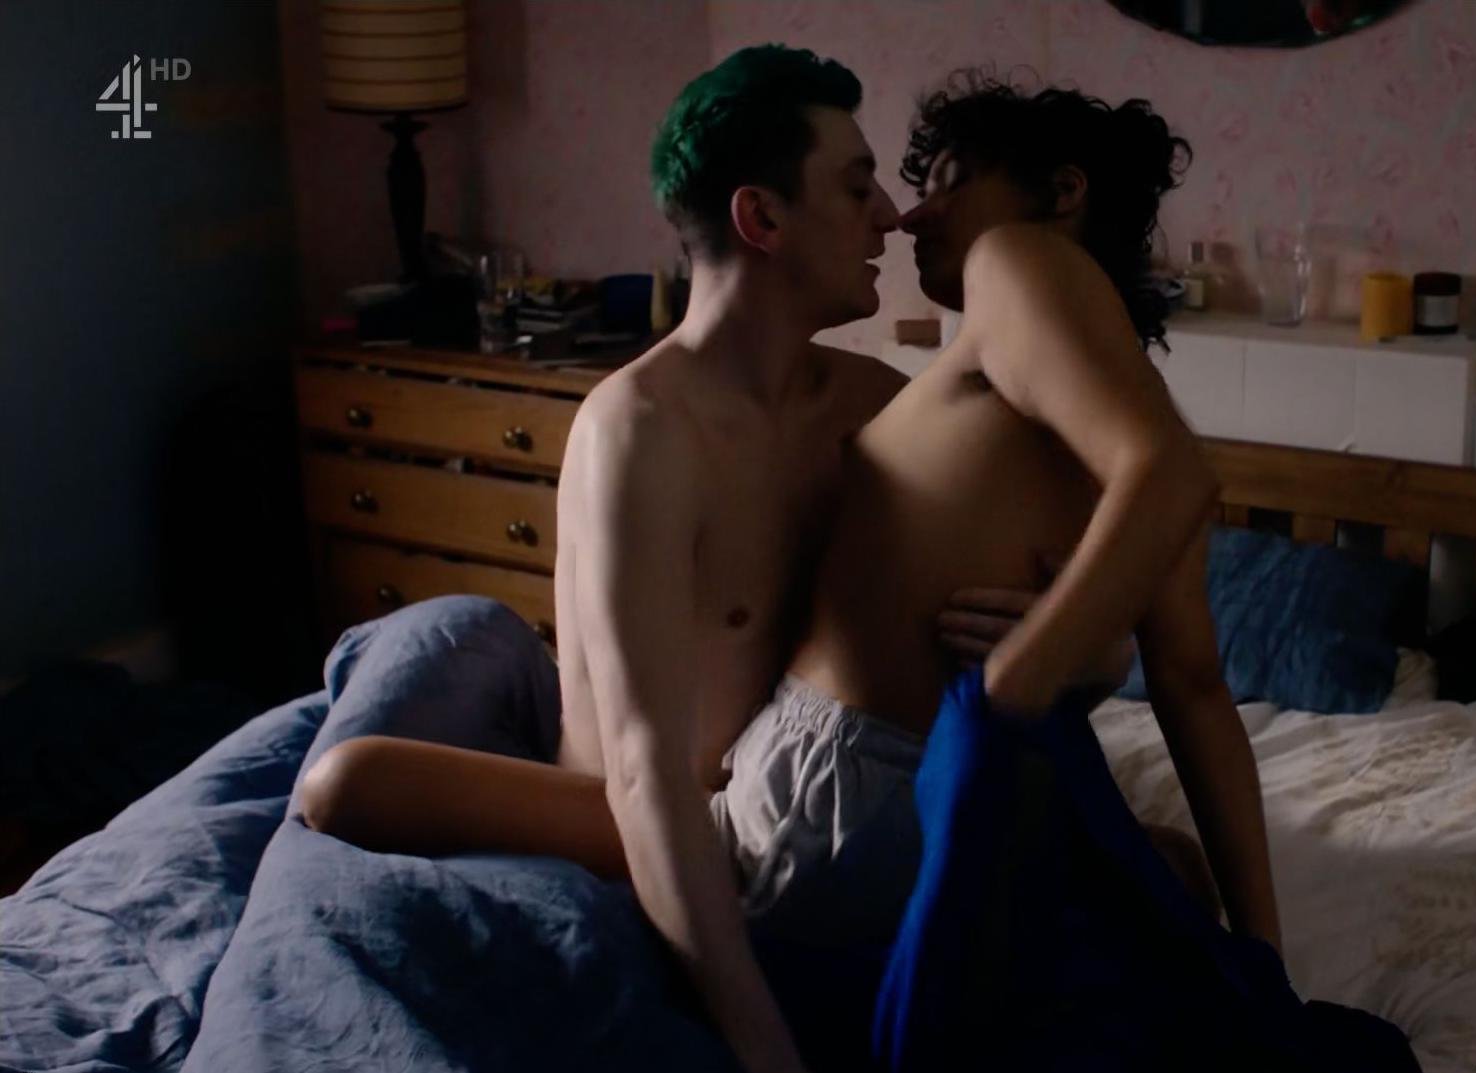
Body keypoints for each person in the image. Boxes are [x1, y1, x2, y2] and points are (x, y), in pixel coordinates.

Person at [295, 47, 1139, 1073]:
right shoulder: (642, 430)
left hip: (785, 804)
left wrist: (1078, 646)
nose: (890, 217)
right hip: (639, 809)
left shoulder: (875, 406)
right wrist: (762, 1046)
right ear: (762, 219)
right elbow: (642, 773)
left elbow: (1086, 629)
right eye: (856, 186)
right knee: (343, 781)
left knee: (1147, 875)